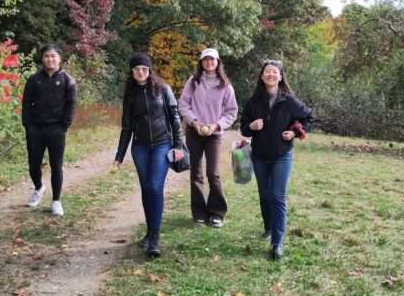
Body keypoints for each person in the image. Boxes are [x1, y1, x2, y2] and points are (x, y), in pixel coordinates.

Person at [113, 52, 185, 257]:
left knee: (154, 187)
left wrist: (178, 146)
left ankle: (155, 238)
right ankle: (150, 232)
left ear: (149, 70)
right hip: (140, 148)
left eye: (144, 69)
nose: (140, 72)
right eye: (136, 69)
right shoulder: (130, 94)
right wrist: (119, 156)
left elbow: (175, 118)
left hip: (162, 145)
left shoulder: (163, 89)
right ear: (131, 72)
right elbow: (126, 127)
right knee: (146, 189)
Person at [240, 59, 312, 260]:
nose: (271, 74)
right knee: (265, 195)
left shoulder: (289, 101)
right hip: (260, 156)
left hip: (282, 155)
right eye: (267, 71)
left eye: (275, 72)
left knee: (278, 197)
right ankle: (269, 227)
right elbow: (244, 127)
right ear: (262, 76)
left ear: (280, 77)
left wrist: (295, 133)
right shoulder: (253, 102)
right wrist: (251, 127)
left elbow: (308, 118)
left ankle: (277, 243)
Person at [178, 48, 238, 228]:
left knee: (213, 173)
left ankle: (217, 212)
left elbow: (231, 112)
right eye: (205, 59)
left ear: (218, 62)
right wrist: (194, 122)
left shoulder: (225, 85)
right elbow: (183, 105)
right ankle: (199, 213)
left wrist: (216, 125)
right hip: (194, 132)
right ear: (201, 62)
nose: (209, 62)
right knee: (195, 173)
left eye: (212, 59)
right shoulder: (193, 82)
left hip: (214, 135)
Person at [21, 44, 77, 215]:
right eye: (47, 56)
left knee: (56, 165)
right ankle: (38, 188)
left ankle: (56, 201)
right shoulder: (34, 79)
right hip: (35, 128)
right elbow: (26, 103)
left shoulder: (67, 80)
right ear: (42, 58)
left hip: (56, 129)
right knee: (33, 164)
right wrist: (27, 124)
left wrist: (65, 124)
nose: (50, 59)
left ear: (59, 58)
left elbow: (71, 104)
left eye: (53, 56)